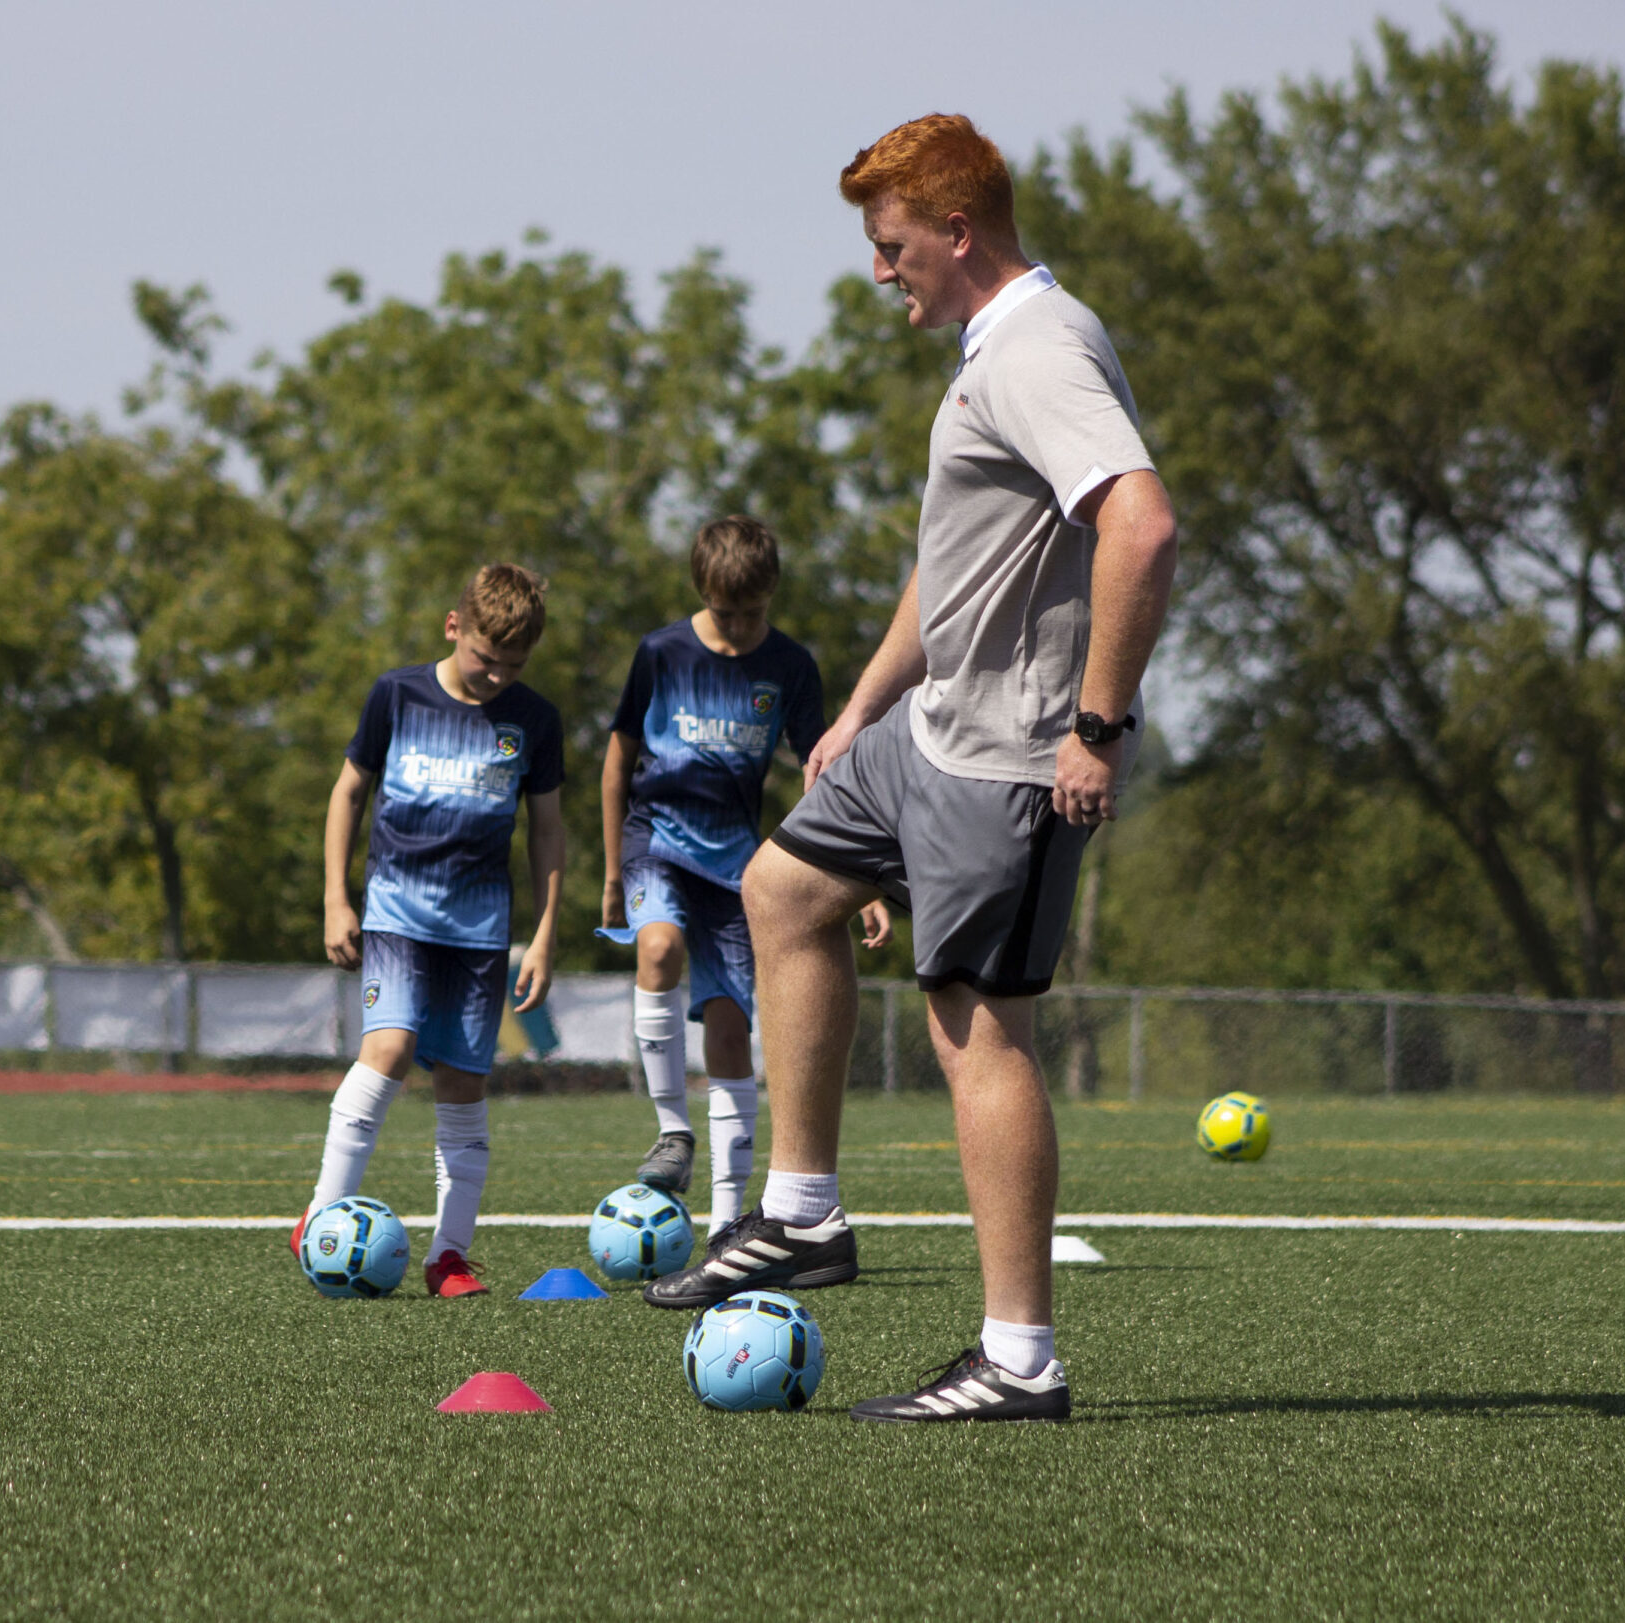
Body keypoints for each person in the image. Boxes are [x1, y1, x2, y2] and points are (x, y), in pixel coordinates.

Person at [641, 114, 1178, 1427]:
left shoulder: (1041, 349)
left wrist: (1095, 725)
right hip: (925, 730)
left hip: (1011, 757)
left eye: (892, 247)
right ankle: (802, 1215)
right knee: (783, 888)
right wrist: (868, 701)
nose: (882, 272)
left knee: (977, 1030)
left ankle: (1018, 1359)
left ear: (955, 232)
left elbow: (1142, 524)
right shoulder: (991, 351)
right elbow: (959, 559)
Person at [597, 516, 890, 1234]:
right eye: (724, 613)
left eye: (752, 612)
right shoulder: (661, 653)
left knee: (731, 1029)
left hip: (735, 862)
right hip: (656, 841)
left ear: (773, 594)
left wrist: (863, 879)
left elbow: (821, 774)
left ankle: (729, 1223)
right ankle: (674, 1130)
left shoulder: (789, 666)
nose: (736, 627)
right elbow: (616, 757)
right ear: (701, 591)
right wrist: (610, 869)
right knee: (659, 948)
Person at [297, 563, 567, 1298]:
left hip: (479, 931)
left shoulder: (535, 720)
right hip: (396, 915)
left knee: (464, 1081)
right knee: (389, 1047)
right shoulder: (397, 693)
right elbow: (349, 789)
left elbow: (546, 831)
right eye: (485, 657)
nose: (495, 676)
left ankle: (449, 1255)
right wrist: (335, 898)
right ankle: (321, 1217)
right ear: (455, 626)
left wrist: (542, 933)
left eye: (512, 666)